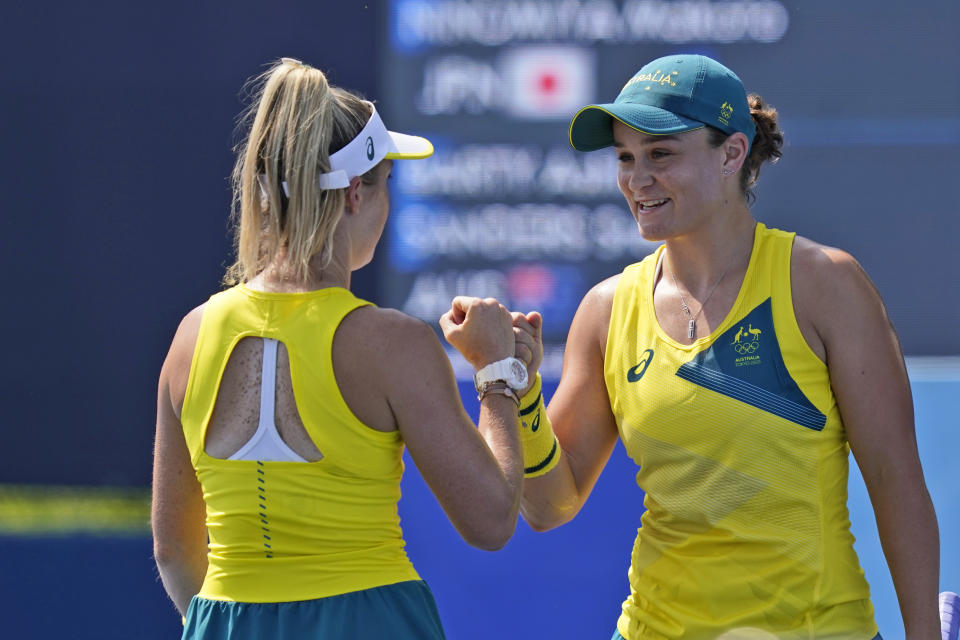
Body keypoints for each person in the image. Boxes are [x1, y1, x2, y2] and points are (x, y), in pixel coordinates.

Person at [508, 54, 940, 639]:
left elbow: (895, 480)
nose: (637, 179)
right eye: (626, 157)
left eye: (661, 154)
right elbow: (547, 504)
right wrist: (523, 392)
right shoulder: (607, 310)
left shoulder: (825, 285)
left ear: (732, 154)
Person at [151, 58, 531, 640]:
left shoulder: (190, 335)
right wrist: (497, 372)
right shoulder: (393, 344)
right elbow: (491, 519)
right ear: (356, 193)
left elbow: (174, 548)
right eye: (386, 186)